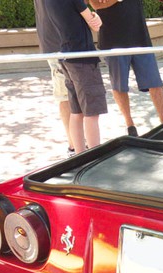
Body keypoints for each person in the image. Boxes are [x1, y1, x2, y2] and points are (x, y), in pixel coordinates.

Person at [88, 0, 163, 136]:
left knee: (155, 83)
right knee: (119, 86)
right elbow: (95, 4)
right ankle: (130, 125)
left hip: (140, 38)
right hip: (112, 41)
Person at [43, 0, 107, 152]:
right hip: (83, 58)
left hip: (66, 56)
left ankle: (80, 156)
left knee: (76, 111)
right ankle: (94, 157)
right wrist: (94, 16)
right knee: (91, 112)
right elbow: (95, 25)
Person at [33, 0, 75, 156]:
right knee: (66, 94)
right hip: (58, 44)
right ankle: (74, 145)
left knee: (70, 94)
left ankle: (77, 143)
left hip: (65, 42)